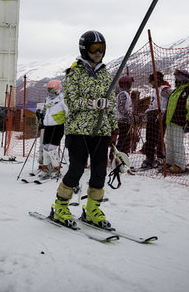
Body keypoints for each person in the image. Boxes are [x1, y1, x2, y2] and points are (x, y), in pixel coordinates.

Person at [50, 30, 117, 229]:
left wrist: (113, 128)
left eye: (101, 49)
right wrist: (93, 103)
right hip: (78, 129)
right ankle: (60, 205)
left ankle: (92, 209)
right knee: (77, 168)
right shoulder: (74, 72)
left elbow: (111, 103)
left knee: (99, 172)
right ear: (84, 49)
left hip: (101, 130)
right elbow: (70, 101)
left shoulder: (106, 74)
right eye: (94, 49)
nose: (98, 53)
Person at [164, 69, 189, 173]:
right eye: (176, 78)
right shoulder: (176, 91)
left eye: (178, 77)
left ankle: (180, 165)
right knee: (169, 143)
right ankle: (170, 162)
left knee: (177, 144)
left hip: (180, 121)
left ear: (184, 78)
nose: (176, 80)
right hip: (170, 121)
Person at [36, 79, 68, 179]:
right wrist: (41, 114)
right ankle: (46, 168)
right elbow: (45, 109)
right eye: (48, 90)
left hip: (57, 126)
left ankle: (56, 168)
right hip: (48, 125)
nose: (49, 92)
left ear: (57, 89)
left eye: (51, 90)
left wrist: (67, 122)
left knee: (51, 148)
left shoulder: (62, 99)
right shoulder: (49, 99)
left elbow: (68, 112)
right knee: (45, 147)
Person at [142, 71, 171, 168]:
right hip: (152, 115)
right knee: (150, 138)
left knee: (159, 138)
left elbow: (171, 100)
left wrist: (164, 112)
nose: (151, 84)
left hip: (160, 115)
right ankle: (149, 157)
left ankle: (160, 157)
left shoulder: (165, 89)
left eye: (152, 82)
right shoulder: (154, 90)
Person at [115, 76, 134, 155]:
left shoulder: (126, 93)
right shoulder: (123, 94)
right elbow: (121, 108)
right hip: (123, 121)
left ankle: (124, 155)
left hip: (126, 121)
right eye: (130, 83)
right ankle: (120, 156)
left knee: (126, 140)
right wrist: (129, 115)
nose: (131, 85)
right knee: (123, 140)